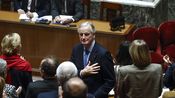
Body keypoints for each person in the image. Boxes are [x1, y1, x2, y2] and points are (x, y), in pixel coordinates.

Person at [70, 21, 115, 98]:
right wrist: (82, 73)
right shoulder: (76, 49)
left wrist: (94, 96)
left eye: (86, 34)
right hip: (77, 94)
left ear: (94, 35)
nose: (83, 37)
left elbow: (110, 81)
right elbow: (71, 70)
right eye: (81, 34)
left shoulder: (103, 54)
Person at [0, 33, 32, 98]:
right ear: (17, 47)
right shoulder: (25, 65)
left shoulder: (1, 62)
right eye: (19, 43)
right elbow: (29, 87)